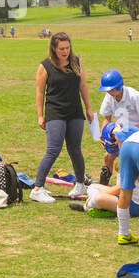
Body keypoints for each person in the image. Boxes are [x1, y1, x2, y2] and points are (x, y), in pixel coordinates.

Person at [31, 32, 93, 202]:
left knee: (75, 149)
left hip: (75, 112)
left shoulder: (76, 62)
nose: (65, 51)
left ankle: (80, 183)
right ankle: (37, 188)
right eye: (61, 49)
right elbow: (39, 91)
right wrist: (40, 115)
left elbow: (82, 85)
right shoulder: (45, 66)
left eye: (67, 47)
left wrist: (88, 107)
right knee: (53, 149)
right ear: (54, 48)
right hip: (55, 112)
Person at [97, 69, 139, 186]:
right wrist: (103, 134)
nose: (109, 92)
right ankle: (102, 186)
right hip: (121, 133)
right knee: (108, 157)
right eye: (107, 90)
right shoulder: (109, 97)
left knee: (133, 162)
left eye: (111, 89)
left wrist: (134, 131)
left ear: (119, 86)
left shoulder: (134, 96)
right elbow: (107, 118)